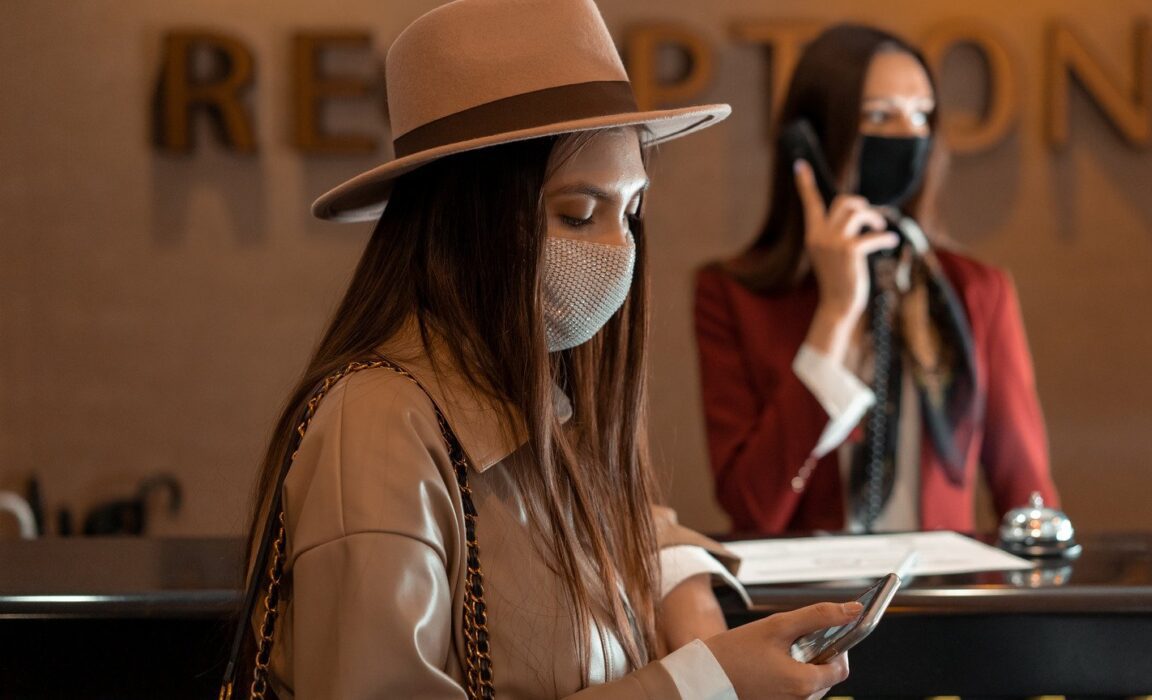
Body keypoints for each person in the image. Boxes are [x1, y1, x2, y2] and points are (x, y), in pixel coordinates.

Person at [223, 1, 860, 698]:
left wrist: (683, 590)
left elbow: (625, 512)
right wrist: (703, 682)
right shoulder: (378, 425)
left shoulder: (541, 392)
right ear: (469, 217)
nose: (617, 248)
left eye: (631, 212)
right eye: (577, 214)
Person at [694, 24, 1059, 535]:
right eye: (880, 116)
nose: (909, 135)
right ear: (810, 140)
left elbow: (1026, 493)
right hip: (809, 585)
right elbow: (754, 508)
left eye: (922, 116)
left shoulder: (976, 291)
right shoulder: (733, 294)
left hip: (941, 583)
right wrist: (836, 315)